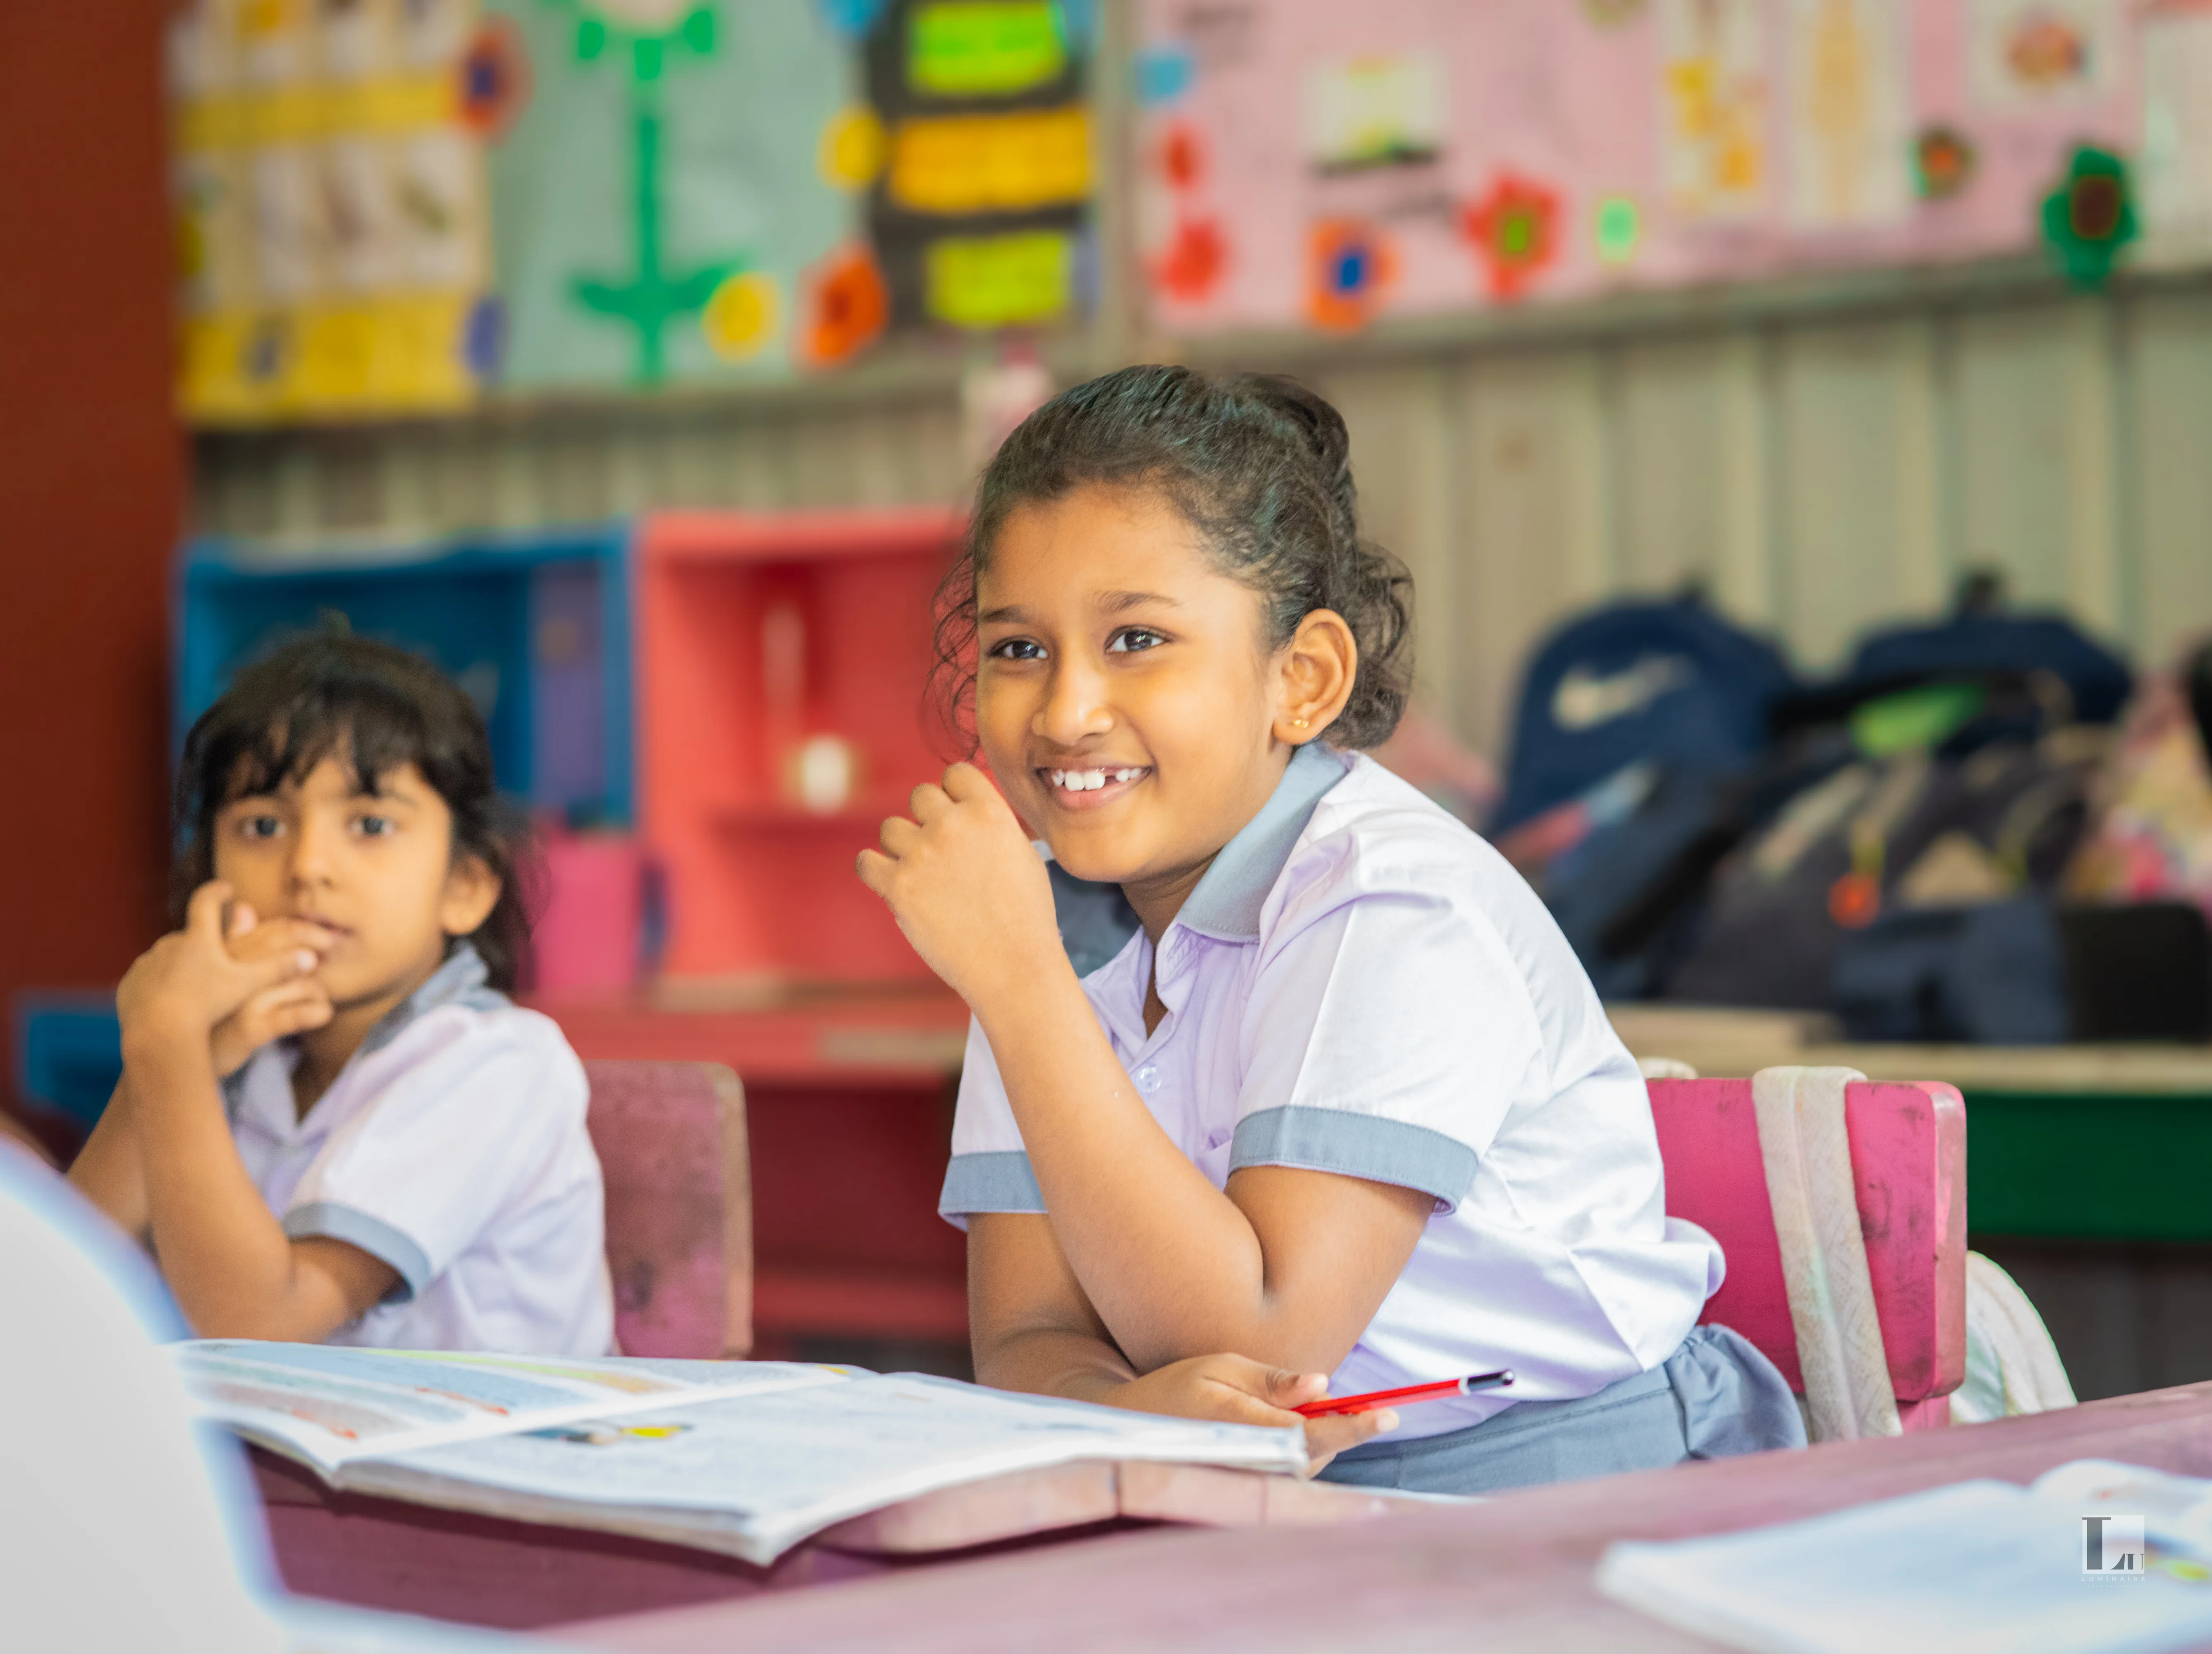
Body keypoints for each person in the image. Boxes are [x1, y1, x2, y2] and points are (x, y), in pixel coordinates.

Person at [857, 366, 1803, 1493]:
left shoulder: (1389, 902)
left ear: (1300, 682)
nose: (1064, 712)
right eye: (1018, 649)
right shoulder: (1042, 926)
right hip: (1242, 1499)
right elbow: (1021, 1338)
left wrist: (1018, 987)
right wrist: (1123, 1409)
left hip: (1572, 1488)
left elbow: (1263, 1330)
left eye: (1137, 640)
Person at [70, 634, 612, 1355]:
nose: (308, 867)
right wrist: (183, 1059)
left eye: (370, 825)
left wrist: (165, 1044)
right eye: (262, 826)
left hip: (486, 1462)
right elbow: (61, 1279)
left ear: (465, 887)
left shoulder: (497, 1064)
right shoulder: (251, 1055)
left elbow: (263, 1322)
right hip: (289, 1458)